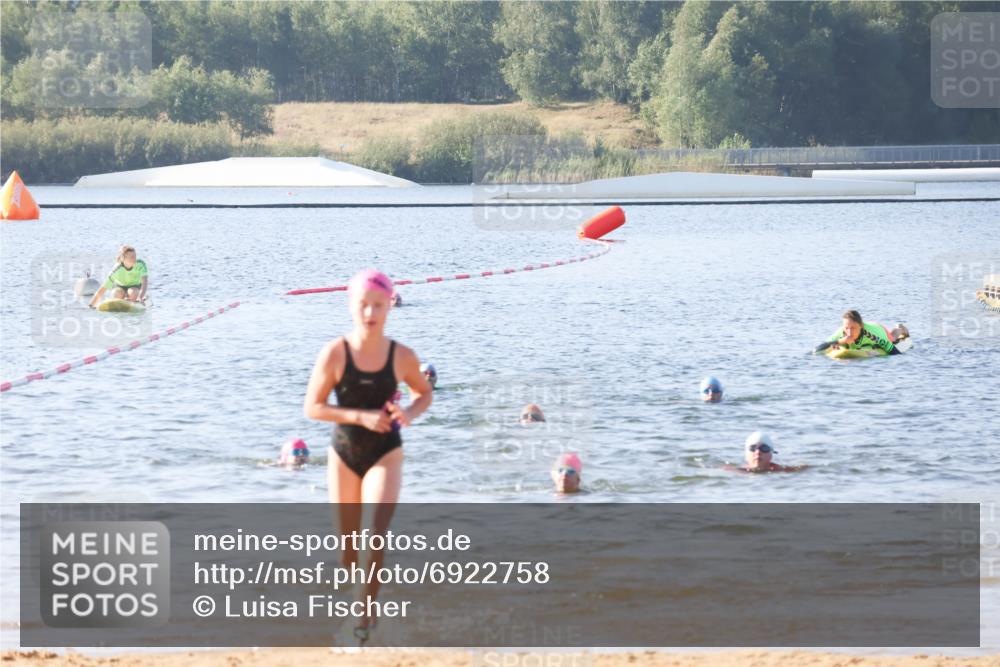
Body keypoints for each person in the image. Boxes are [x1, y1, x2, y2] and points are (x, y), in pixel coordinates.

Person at [303, 269, 432, 644]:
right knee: (347, 550)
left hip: (385, 453)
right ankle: (358, 603)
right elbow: (312, 407)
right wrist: (358, 415)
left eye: (378, 305)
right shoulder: (335, 353)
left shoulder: (402, 355)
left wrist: (409, 413)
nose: (370, 313)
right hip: (344, 452)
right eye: (363, 305)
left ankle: (363, 623)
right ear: (351, 305)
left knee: (374, 536)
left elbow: (423, 393)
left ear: (389, 306)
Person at [816, 310, 908, 355]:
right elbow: (817, 349)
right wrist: (840, 341)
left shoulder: (873, 336)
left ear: (860, 326)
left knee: (892, 338)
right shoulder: (841, 332)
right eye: (846, 328)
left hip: (878, 329)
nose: (849, 332)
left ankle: (900, 328)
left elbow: (895, 353)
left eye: (853, 328)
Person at [724, 432, 806, 474]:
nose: (758, 452)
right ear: (746, 455)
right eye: (753, 448)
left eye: (764, 448)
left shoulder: (781, 471)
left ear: (771, 455)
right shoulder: (735, 471)